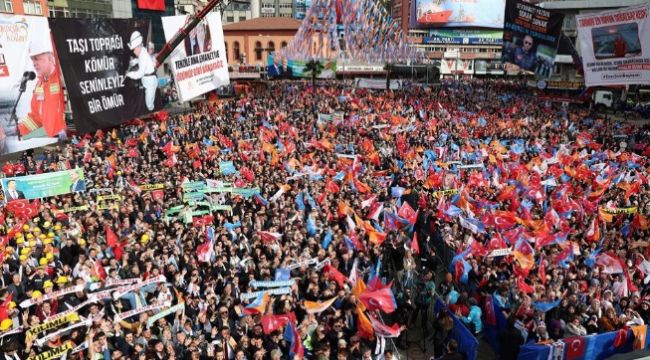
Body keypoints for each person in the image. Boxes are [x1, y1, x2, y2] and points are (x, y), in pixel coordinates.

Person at [17, 36, 66, 139]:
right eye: (32, 60)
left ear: (50, 57)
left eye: (37, 58)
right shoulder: (39, 85)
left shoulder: (61, 77)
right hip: (52, 138)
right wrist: (18, 129)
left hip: (67, 135)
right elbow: (36, 118)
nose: (34, 63)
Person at [126, 31, 158, 112]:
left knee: (149, 105)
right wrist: (135, 61)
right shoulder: (142, 51)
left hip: (150, 82)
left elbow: (139, 74)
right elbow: (140, 60)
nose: (133, 51)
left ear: (138, 46)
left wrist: (129, 74)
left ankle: (156, 115)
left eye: (134, 49)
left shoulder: (143, 55)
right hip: (148, 80)